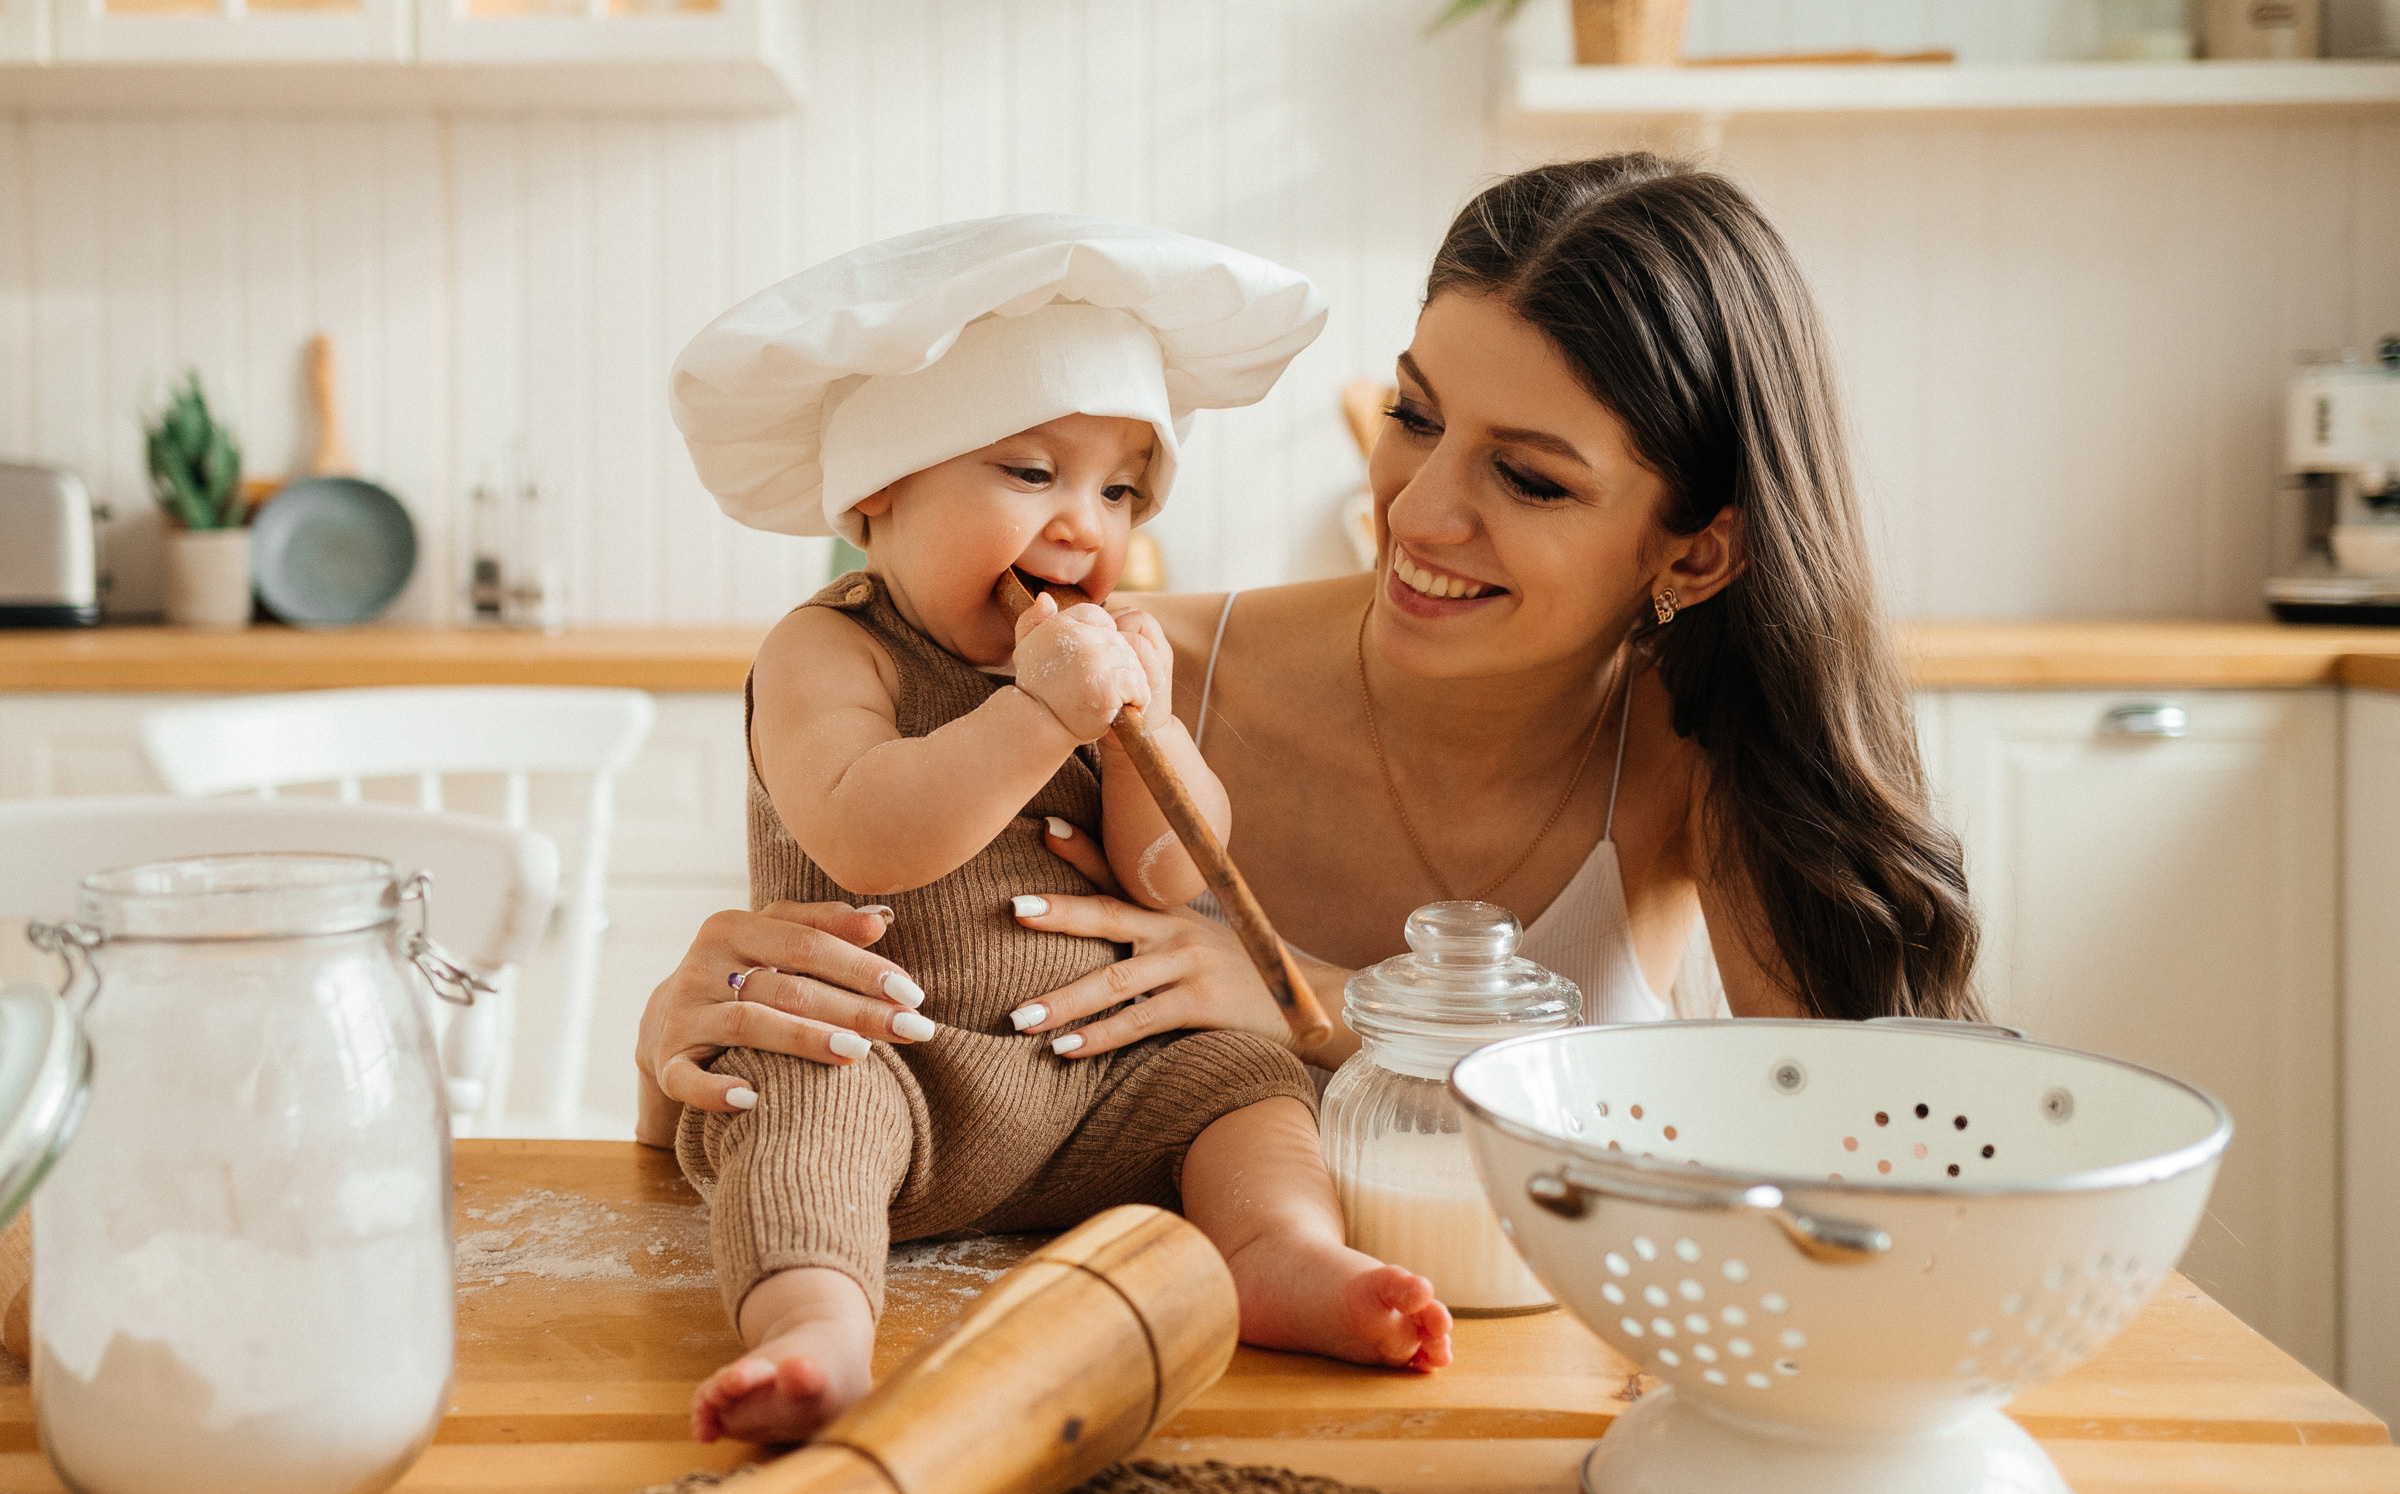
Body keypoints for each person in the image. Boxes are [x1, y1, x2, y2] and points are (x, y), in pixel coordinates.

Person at [637, 151, 1980, 1265]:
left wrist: (1320, 999)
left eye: (1529, 478)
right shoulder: (1128, 675)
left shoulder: (1700, 751)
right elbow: (928, 1062)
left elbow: (1849, 1167)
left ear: (1696, 551)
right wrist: (674, 1048)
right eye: (1414, 412)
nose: (1416, 506)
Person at [665, 216, 1454, 1446]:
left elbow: (1166, 870)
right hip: (891, 1069)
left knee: (1244, 1077)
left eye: (1120, 487)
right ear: (878, 491)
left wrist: (1150, 730)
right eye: (1032, 473)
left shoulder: (1104, 655)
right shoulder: (828, 646)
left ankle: (1276, 1255)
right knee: (784, 1101)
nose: (1086, 522)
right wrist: (1040, 714)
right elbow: (868, 832)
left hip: (1102, 1078)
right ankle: (814, 1326)